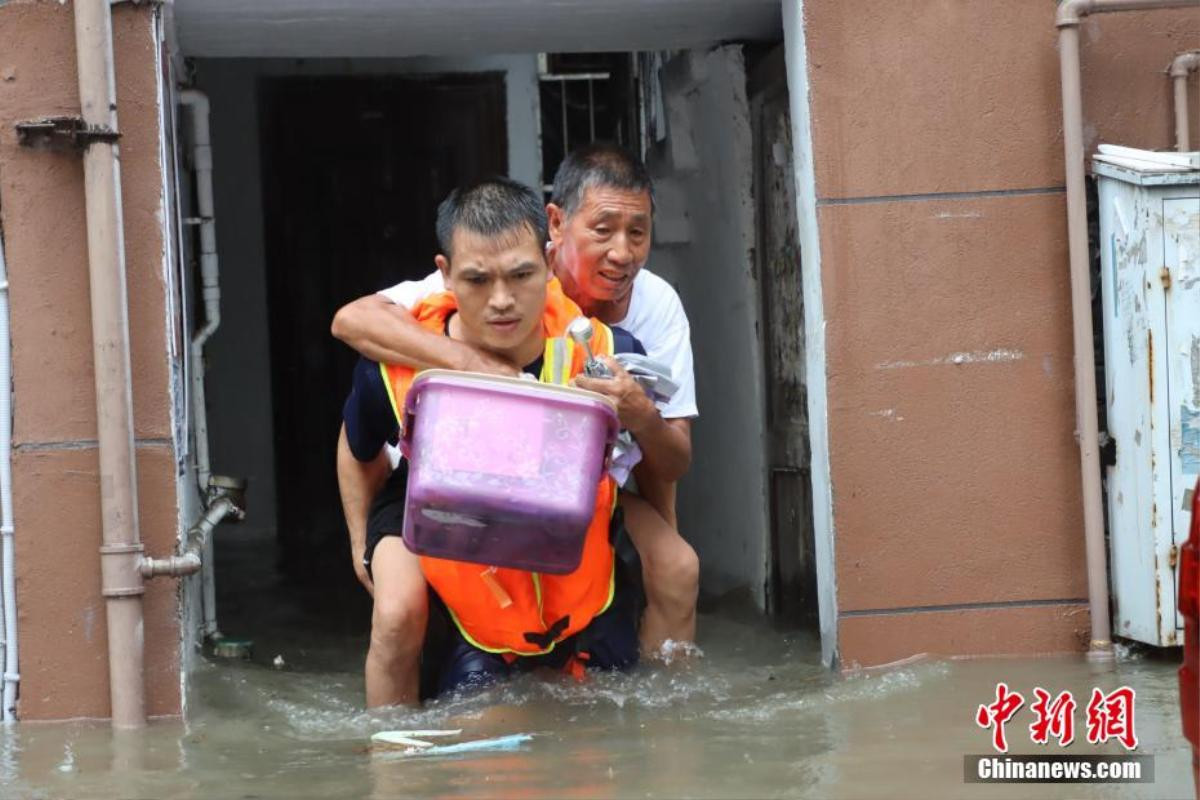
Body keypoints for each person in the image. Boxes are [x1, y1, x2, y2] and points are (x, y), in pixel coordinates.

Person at [331, 143, 700, 665]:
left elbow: (670, 455)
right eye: (602, 230)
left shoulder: (639, 320)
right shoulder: (479, 273)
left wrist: (654, 543)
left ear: (543, 266)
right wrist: (476, 367)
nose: (622, 253)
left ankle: (671, 712)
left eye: (637, 232)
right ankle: (393, 743)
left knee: (675, 565)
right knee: (399, 613)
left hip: (580, 485)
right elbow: (350, 325)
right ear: (557, 231)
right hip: (440, 479)